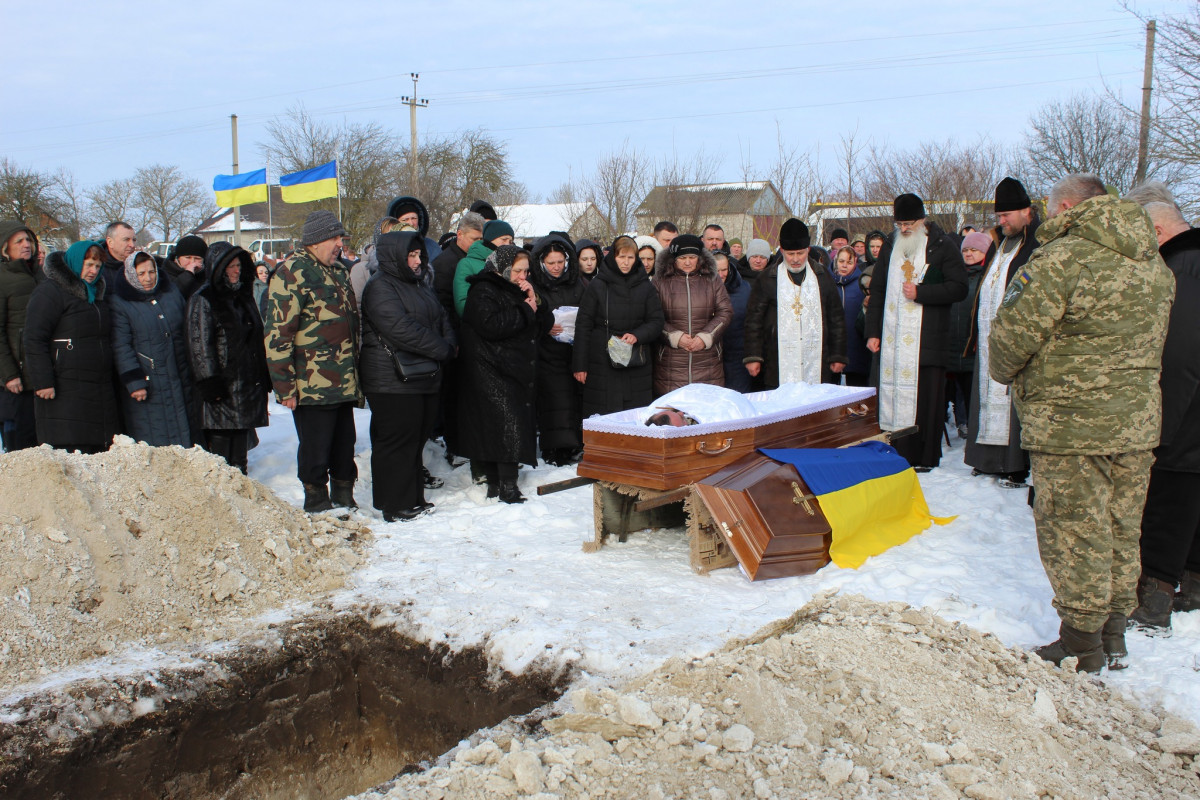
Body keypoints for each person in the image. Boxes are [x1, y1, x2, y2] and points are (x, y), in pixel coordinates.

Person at [989, 174, 1174, 673]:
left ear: (1067, 207)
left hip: (1071, 426)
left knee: (1074, 531)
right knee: (1120, 526)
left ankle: (1081, 642)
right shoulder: (1152, 263)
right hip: (1135, 423)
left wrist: (1009, 372)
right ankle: (1113, 633)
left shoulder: (1061, 260)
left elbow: (1009, 342)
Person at [1123, 186, 1200, 630]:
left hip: (1184, 411)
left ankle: (1155, 595)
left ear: (1155, 229)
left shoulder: (1182, 267)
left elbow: (1181, 352)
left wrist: (1161, 426)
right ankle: (1192, 581)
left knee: (1170, 500)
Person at [264, 210, 361, 512]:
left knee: (345, 447)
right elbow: (278, 335)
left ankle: (344, 496)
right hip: (311, 386)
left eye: (340, 239)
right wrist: (285, 388)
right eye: (335, 238)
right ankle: (317, 501)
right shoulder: (291, 273)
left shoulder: (339, 271)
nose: (339, 245)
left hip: (343, 381)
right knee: (316, 449)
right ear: (317, 240)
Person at [865, 194, 968, 471]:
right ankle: (893, 451)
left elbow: (959, 287)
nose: (904, 229)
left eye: (909, 223)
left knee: (925, 401)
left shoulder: (941, 246)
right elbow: (877, 290)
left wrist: (922, 292)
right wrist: (872, 331)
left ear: (922, 219)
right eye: (899, 223)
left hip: (926, 341)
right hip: (892, 340)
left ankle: (923, 456)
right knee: (892, 397)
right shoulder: (891, 245)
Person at [360, 231, 456, 521]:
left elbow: (441, 318)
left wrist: (450, 343)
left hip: (422, 376)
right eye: (410, 256)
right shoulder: (380, 287)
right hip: (391, 379)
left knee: (414, 440)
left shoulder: (419, 285)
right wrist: (442, 348)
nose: (416, 261)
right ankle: (394, 504)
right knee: (396, 441)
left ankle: (413, 497)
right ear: (394, 257)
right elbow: (400, 329)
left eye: (418, 255)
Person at [458, 245, 551, 503]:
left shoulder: (517, 289)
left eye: (526, 271)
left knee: (506, 425)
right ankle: (503, 485)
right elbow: (492, 326)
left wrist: (536, 301)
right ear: (502, 268)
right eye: (518, 271)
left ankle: (501, 484)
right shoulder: (483, 289)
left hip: (510, 367)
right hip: (490, 369)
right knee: (503, 426)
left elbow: (542, 325)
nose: (523, 276)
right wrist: (525, 310)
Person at [964, 178, 1040, 487]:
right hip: (989, 335)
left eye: (1007, 215)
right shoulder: (999, 243)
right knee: (986, 392)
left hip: (1016, 339)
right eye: (999, 216)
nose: (1002, 221)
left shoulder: (1036, 244)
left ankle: (1013, 465)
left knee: (1011, 401)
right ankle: (986, 459)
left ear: (1026, 211)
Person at [22, 240, 121, 453]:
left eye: (97, 266)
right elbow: (33, 338)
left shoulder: (96, 294)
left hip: (97, 386)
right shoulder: (50, 291)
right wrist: (43, 381)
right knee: (70, 449)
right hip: (62, 387)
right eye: (88, 264)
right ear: (75, 262)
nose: (93, 271)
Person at [187, 243, 271, 474]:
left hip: (245, 385)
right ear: (218, 268)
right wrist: (210, 384)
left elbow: (255, 339)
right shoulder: (204, 298)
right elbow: (200, 344)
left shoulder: (242, 296)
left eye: (238, 265)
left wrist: (262, 374)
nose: (236, 271)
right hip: (222, 388)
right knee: (223, 455)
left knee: (240, 453)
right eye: (230, 266)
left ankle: (241, 489)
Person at [743, 219, 846, 388]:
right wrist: (753, 356)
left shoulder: (822, 276)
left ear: (808, 250)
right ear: (782, 251)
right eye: (790, 254)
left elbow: (836, 317)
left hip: (817, 359)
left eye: (800, 253)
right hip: (776, 360)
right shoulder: (768, 278)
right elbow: (753, 321)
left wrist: (838, 355)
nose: (796, 259)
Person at [572, 235, 664, 416]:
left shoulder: (645, 286)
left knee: (633, 418)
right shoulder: (597, 285)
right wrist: (579, 365)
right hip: (602, 361)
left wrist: (638, 335)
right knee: (604, 418)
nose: (626, 262)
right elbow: (583, 325)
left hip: (636, 362)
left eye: (630, 258)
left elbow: (656, 321)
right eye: (621, 257)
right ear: (613, 257)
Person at [110, 251, 194, 447]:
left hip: (179, 375)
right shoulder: (120, 303)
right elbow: (121, 345)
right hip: (149, 379)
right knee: (155, 433)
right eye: (141, 273)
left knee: (185, 429)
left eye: (151, 272)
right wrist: (135, 381)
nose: (148, 278)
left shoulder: (170, 293)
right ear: (131, 274)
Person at [529, 232, 586, 466]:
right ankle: (554, 448)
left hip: (572, 350)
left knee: (573, 400)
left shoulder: (577, 283)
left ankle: (573, 444)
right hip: (547, 351)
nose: (555, 267)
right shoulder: (535, 285)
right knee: (553, 401)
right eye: (551, 263)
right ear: (542, 262)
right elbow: (528, 315)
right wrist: (545, 326)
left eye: (560, 262)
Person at [653, 234, 733, 395]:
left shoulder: (712, 279)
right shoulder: (660, 281)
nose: (688, 262)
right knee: (673, 415)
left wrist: (705, 337)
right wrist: (675, 337)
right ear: (674, 259)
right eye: (683, 258)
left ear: (700, 258)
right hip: (671, 363)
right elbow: (653, 316)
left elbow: (725, 311)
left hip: (708, 362)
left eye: (692, 257)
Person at [946, 231, 993, 440]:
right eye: (965, 250)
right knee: (957, 394)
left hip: (973, 348)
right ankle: (962, 424)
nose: (968, 254)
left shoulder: (987, 277)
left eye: (974, 250)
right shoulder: (955, 275)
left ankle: (977, 434)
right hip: (952, 347)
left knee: (974, 395)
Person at [0, 221, 41, 451]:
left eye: (29, 240)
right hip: (16, 382)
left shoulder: (40, 275)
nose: (27, 245)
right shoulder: (3, 279)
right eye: (19, 241)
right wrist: (8, 375)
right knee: (20, 447)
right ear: (6, 248)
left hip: (41, 375)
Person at [453, 219, 515, 318]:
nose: (508, 244)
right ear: (490, 239)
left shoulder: (512, 264)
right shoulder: (467, 264)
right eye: (504, 239)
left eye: (511, 241)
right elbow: (462, 304)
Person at [432, 212, 485, 323]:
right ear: (460, 235)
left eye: (482, 240)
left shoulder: (483, 259)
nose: (479, 244)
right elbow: (444, 306)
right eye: (474, 239)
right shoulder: (443, 264)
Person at [830, 245, 870, 386]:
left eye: (849, 262)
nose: (844, 266)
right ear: (836, 262)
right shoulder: (827, 283)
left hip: (856, 348)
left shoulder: (862, 284)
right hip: (832, 350)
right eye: (841, 261)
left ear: (855, 263)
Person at [714, 251, 753, 392]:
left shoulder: (744, 288)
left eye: (724, 270)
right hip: (711, 357)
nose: (720, 275)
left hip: (737, 355)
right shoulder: (701, 288)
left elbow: (751, 322)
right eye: (716, 271)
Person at [385, 195, 442, 262]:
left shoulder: (432, 247)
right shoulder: (388, 248)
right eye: (405, 220)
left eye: (414, 218)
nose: (411, 223)